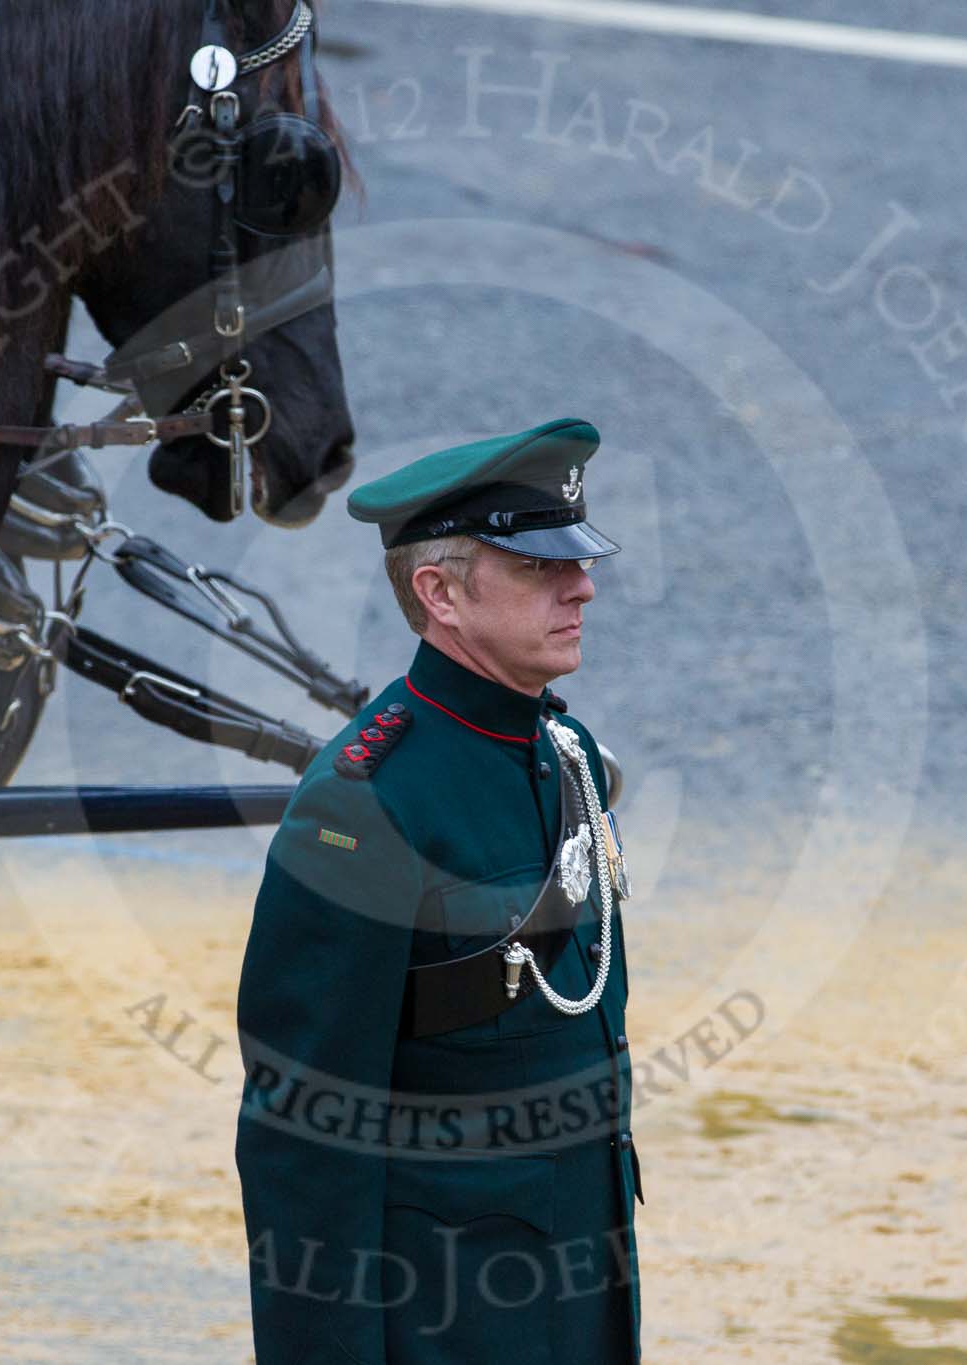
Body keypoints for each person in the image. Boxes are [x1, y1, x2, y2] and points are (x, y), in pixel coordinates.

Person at [234, 417, 642, 1365]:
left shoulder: (566, 755)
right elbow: (305, 1143)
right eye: (540, 568)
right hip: (445, 1326)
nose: (582, 584)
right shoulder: (365, 804)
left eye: (575, 562)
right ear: (440, 592)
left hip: (586, 1304)